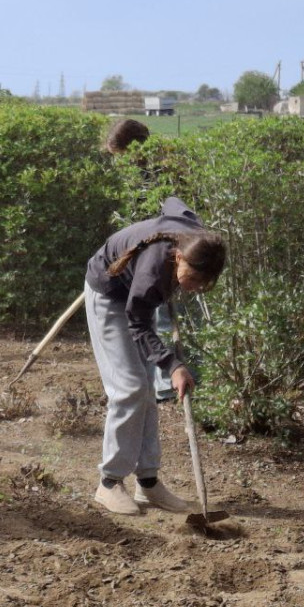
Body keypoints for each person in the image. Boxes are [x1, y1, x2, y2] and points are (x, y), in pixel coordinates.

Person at [84, 197, 226, 516]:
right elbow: (137, 320)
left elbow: (174, 203)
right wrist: (172, 365)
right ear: (177, 256)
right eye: (191, 278)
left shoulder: (197, 238)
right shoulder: (152, 268)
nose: (193, 287)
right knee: (130, 388)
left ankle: (147, 484)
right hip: (110, 297)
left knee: (147, 392)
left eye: (203, 284)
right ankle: (108, 483)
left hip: (138, 299)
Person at [105, 117, 176, 402]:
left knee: (165, 319)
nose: (120, 163)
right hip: (148, 253)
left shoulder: (160, 174)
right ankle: (163, 380)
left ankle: (168, 383)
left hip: (170, 254)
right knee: (154, 316)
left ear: (134, 149)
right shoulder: (139, 175)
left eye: (121, 156)